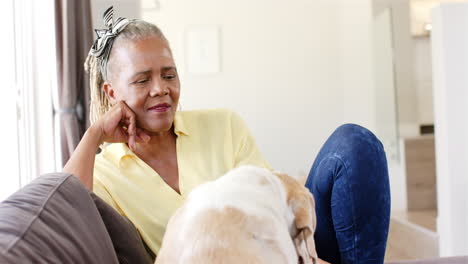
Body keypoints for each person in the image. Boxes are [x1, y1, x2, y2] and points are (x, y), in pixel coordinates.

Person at [64, 7, 390, 264]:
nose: (160, 89)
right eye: (141, 80)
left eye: (169, 75)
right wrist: (95, 133)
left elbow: (275, 209)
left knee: (353, 144)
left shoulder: (223, 124)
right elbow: (63, 209)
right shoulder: (104, 174)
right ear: (110, 92)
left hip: (286, 249)